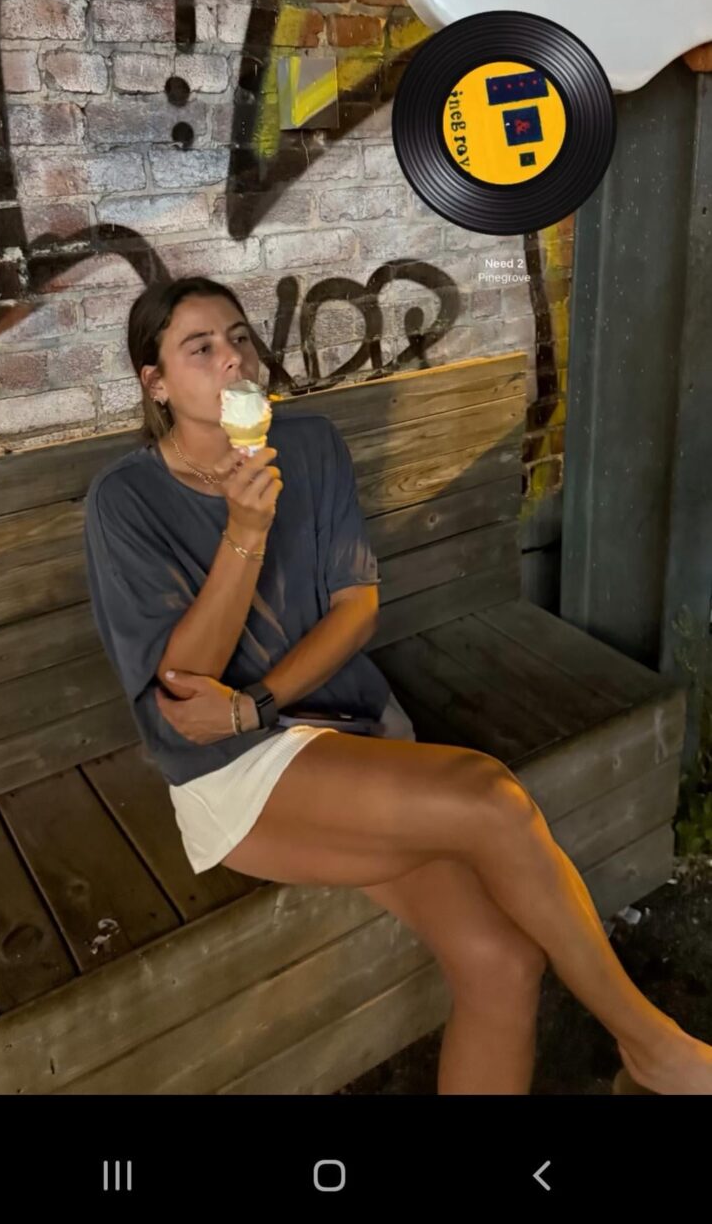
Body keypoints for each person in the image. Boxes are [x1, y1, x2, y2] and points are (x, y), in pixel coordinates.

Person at [83, 272, 712, 1096]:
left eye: (238, 338)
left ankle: (649, 1051)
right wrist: (245, 531)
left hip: (339, 727)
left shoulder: (309, 445)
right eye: (198, 349)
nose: (232, 359)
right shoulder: (126, 501)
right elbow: (184, 688)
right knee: (491, 799)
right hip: (237, 771)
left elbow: (357, 610)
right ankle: (651, 1044)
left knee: (502, 961)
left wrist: (258, 700)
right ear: (156, 383)